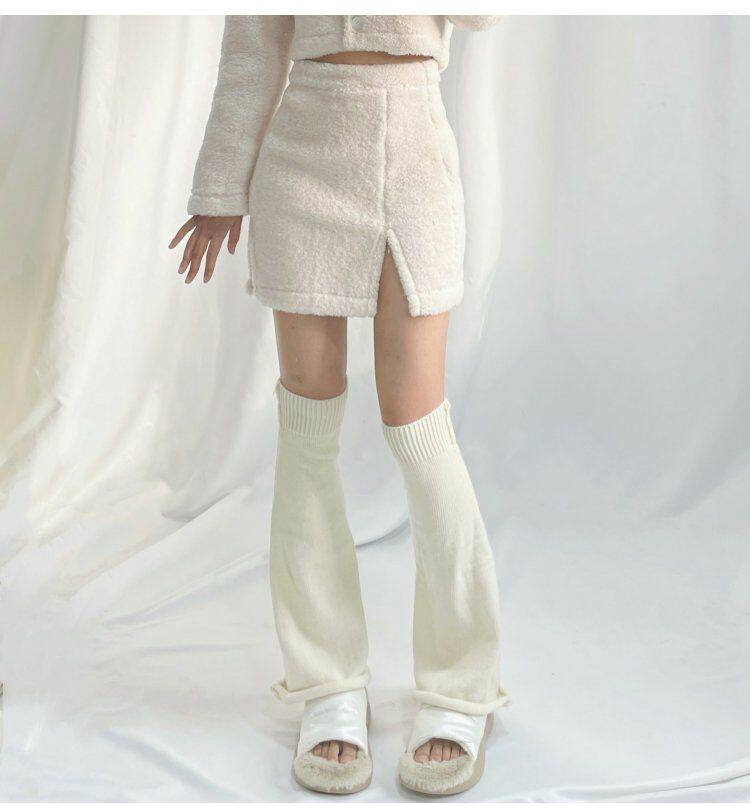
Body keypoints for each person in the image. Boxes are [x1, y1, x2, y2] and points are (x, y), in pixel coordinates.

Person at [169, 15, 507, 796]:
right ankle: (328, 682)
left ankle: (462, 684)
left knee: (418, 425)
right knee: (308, 422)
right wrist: (220, 188)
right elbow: (252, 51)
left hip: (415, 148)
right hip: (304, 155)